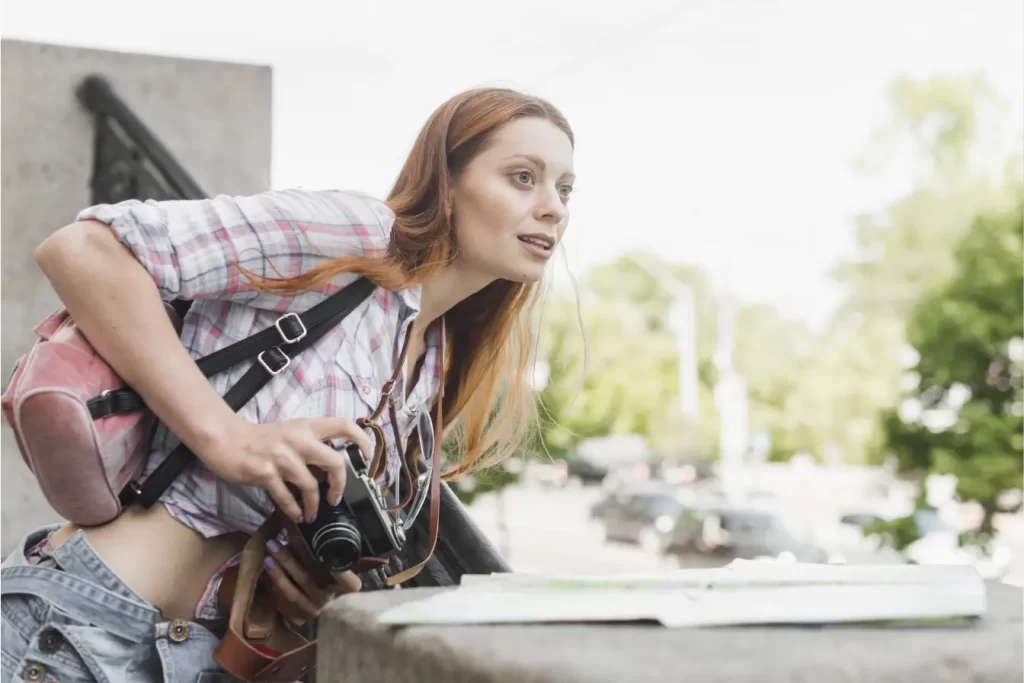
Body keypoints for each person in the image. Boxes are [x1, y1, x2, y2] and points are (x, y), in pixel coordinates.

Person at [1, 87, 575, 682]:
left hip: (191, 655)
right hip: (78, 630)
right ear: (447, 184)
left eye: (564, 189)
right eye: (522, 177)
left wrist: (298, 586)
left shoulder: (425, 366)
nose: (554, 208)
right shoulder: (361, 236)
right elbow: (83, 248)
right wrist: (229, 438)